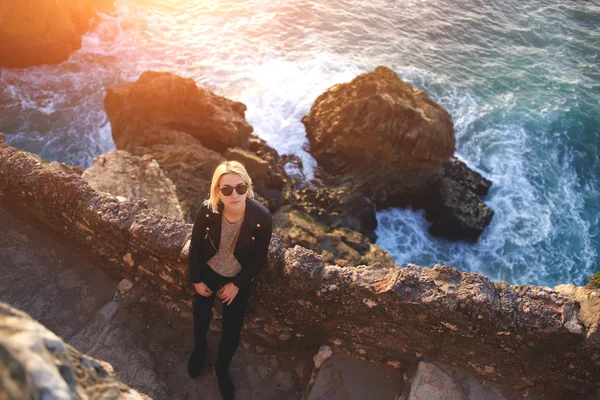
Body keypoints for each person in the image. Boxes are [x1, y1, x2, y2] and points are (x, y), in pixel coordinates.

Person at [187, 160, 273, 400]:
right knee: (201, 315)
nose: (234, 194)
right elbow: (195, 246)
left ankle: (222, 369)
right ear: (217, 191)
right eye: (227, 189)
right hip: (208, 272)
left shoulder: (262, 218)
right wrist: (195, 279)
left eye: (240, 187)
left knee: (232, 329)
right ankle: (200, 349)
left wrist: (237, 285)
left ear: (248, 187)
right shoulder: (208, 210)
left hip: (237, 277)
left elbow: (258, 260)